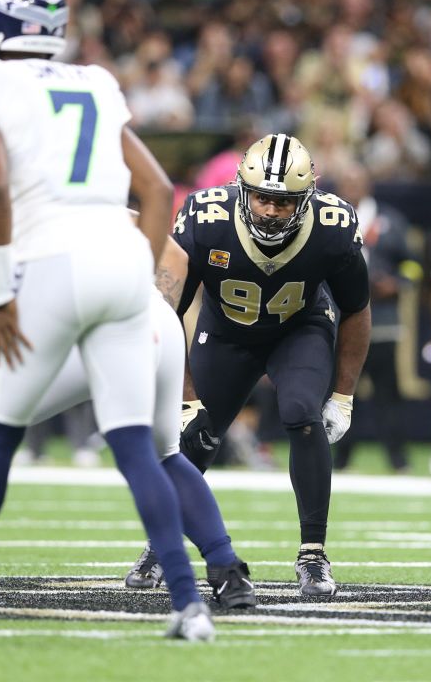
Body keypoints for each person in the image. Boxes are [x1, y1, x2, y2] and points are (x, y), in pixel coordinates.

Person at [0, 0, 213, 641]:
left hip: (50, 269)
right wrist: (137, 271)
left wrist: (5, 291)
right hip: (122, 268)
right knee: (137, 444)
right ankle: (189, 607)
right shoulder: (95, 81)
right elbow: (158, 191)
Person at [0, 145, 257, 612]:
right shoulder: (83, 195)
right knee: (162, 452)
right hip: (147, 316)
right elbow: (174, 257)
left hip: (75, 317)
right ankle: (228, 573)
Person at [136, 133, 371, 598]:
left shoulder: (333, 224)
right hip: (226, 332)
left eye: (283, 202)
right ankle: (161, 544)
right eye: (262, 197)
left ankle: (313, 555)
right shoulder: (205, 217)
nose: (269, 210)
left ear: (304, 200)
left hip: (299, 328)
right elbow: (165, 309)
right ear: (242, 189)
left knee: (303, 415)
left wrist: (342, 397)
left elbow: (357, 309)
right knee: (194, 433)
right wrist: (185, 396)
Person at [332, 165, 418, 474]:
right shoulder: (328, 219)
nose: (352, 186)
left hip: (381, 320)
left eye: (356, 180)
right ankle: (339, 458)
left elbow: (413, 264)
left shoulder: (390, 220)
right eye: (346, 180)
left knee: (387, 394)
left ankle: (397, 457)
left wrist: (397, 283)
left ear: (368, 183)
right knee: (340, 392)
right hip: (340, 321)